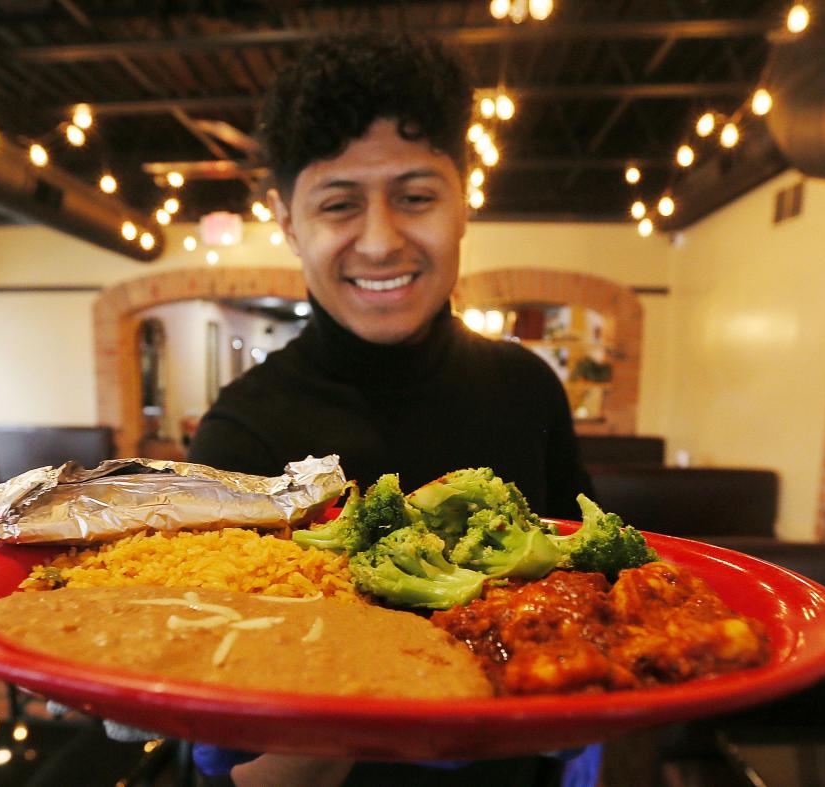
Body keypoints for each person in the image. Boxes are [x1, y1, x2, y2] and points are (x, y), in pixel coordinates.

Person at [187, 31, 598, 787]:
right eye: (338, 204)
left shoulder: (526, 385)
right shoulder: (241, 428)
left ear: (464, 201)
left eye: (414, 197)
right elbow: (227, 744)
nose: (379, 241)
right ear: (286, 220)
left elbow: (585, 578)